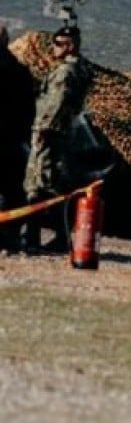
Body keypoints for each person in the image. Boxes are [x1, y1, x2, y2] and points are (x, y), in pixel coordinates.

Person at [23, 25, 92, 253]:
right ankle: (59, 235)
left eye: (57, 43)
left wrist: (43, 129)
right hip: (64, 133)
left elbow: (57, 102)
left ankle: (34, 237)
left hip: (50, 133)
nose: (53, 48)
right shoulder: (81, 69)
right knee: (54, 184)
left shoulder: (66, 72)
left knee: (38, 185)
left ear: (69, 45)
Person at [0, 26, 36, 253]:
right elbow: (29, 108)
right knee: (12, 188)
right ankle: (10, 236)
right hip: (13, 139)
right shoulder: (21, 71)